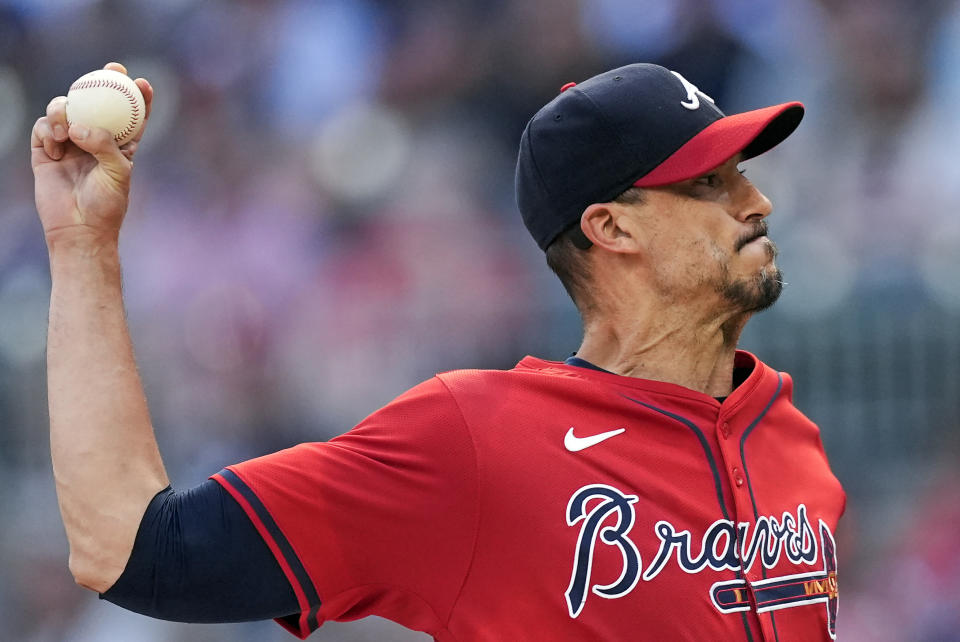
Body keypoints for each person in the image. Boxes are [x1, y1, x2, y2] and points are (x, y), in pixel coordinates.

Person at [33, 62, 845, 641]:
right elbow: (132, 549)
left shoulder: (790, 434)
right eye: (709, 182)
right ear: (612, 227)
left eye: (738, 169)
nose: (756, 199)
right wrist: (82, 247)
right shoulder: (477, 443)